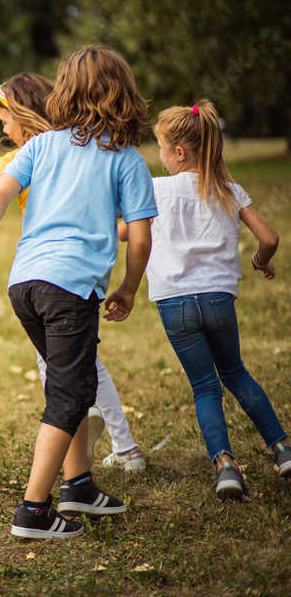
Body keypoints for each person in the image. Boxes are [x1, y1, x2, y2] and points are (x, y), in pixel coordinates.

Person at [0, 45, 157, 539]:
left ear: (63, 92)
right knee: (71, 396)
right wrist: (130, 288)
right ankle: (32, 511)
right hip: (70, 289)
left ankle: (79, 486)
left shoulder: (38, 147)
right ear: (124, 95)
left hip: (24, 284)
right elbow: (139, 237)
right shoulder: (127, 161)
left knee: (63, 385)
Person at [140, 100, 289, 499]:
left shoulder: (155, 189)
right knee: (236, 373)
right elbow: (270, 238)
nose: (158, 155)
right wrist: (261, 260)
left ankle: (225, 467)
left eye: (159, 147)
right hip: (219, 300)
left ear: (179, 152)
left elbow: (127, 232)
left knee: (205, 387)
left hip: (174, 304)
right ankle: (282, 449)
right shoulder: (228, 190)